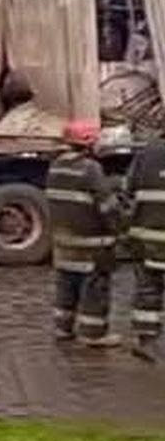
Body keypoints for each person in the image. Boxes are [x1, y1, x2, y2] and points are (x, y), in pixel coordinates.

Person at [46, 119, 123, 348]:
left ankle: (63, 328)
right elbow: (108, 207)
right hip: (91, 244)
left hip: (64, 242)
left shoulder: (56, 166)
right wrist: (119, 229)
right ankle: (94, 334)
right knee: (95, 289)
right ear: (89, 143)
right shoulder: (91, 169)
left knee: (66, 286)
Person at [125, 136, 165, 362]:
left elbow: (127, 191)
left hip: (146, 239)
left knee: (148, 290)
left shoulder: (145, 153)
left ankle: (146, 341)